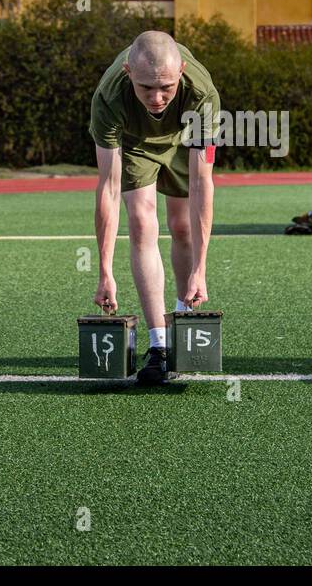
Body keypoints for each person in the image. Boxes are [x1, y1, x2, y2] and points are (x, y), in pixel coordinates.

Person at [91, 31, 220, 385]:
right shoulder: (109, 96)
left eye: (166, 87)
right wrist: (104, 270)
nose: (157, 97)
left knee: (181, 226)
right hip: (135, 143)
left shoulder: (203, 95)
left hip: (183, 138)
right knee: (142, 221)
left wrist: (201, 268)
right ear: (129, 71)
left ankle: (182, 317)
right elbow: (109, 187)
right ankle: (159, 344)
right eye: (146, 87)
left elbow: (201, 183)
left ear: (180, 71)